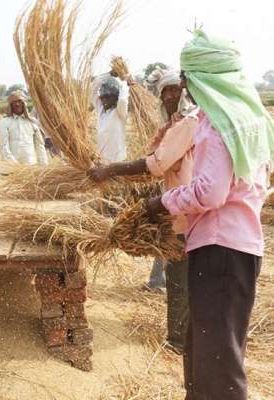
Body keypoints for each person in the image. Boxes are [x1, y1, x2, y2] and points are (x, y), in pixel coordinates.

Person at [145, 30, 274, 399]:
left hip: (220, 250)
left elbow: (210, 192)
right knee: (203, 352)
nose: (182, 83)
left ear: (201, 78)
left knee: (217, 363)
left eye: (186, 75)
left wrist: (162, 203)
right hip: (233, 247)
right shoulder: (246, 119)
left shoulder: (220, 124)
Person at [89, 69, 195, 351]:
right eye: (165, 92)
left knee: (180, 279)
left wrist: (111, 170)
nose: (171, 95)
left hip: (189, 211)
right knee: (182, 276)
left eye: (175, 89)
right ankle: (186, 337)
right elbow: (156, 162)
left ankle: (178, 341)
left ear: (185, 90)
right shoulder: (171, 125)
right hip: (180, 208)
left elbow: (156, 164)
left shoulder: (188, 123)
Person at [0, 90, 48, 174]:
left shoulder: (32, 122)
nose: (17, 104)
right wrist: (14, 165)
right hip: (9, 169)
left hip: (30, 166)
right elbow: (3, 146)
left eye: (19, 101)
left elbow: (39, 145)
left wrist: (44, 165)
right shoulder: (4, 122)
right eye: (14, 102)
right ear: (10, 105)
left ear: (24, 103)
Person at [91, 73, 130, 163]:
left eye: (108, 96)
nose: (104, 99)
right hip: (103, 162)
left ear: (115, 98)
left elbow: (123, 100)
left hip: (118, 162)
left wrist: (124, 81)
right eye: (102, 96)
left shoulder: (120, 112)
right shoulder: (100, 110)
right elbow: (93, 87)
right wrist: (109, 74)